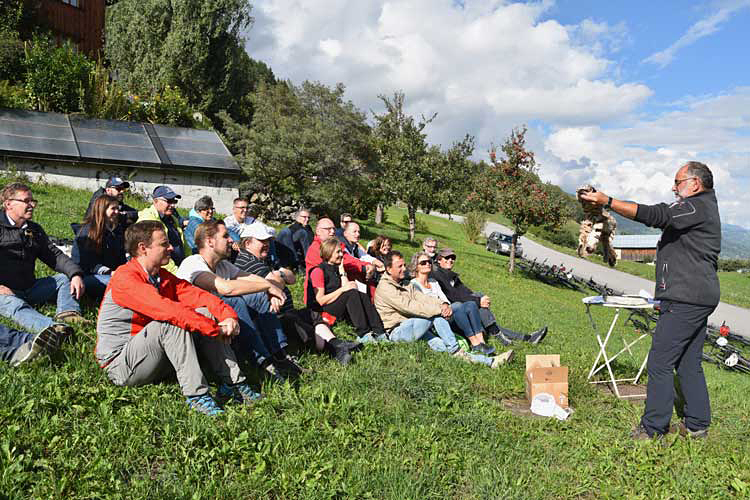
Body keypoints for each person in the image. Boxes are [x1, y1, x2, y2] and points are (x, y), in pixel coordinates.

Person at [580, 161, 721, 440]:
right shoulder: (701, 208)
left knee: (659, 361)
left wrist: (607, 201)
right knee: (688, 362)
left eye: (678, 182)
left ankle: (653, 428)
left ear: (694, 183)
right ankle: (697, 425)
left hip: (687, 298)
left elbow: (655, 214)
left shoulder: (695, 205)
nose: (673, 187)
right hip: (695, 296)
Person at [95, 220, 262, 416]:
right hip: (121, 365)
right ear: (143, 248)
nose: (171, 247)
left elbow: (199, 297)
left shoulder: (161, 276)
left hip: (152, 357)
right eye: (164, 244)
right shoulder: (126, 278)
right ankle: (197, 396)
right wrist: (215, 330)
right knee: (171, 322)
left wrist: (227, 317)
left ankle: (234, 384)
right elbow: (167, 311)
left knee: (205, 312)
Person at [176, 220, 303, 379]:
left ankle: (279, 356)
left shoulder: (223, 266)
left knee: (258, 297)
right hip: (194, 327)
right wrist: (268, 286)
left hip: (223, 320)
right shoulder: (193, 263)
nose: (231, 240)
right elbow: (226, 288)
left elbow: (251, 278)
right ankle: (263, 362)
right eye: (225, 236)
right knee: (234, 301)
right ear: (209, 241)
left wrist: (269, 289)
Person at [235, 223, 360, 365]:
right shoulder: (249, 262)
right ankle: (334, 348)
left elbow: (292, 278)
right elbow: (278, 283)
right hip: (276, 318)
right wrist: (278, 278)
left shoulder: (260, 260)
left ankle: (337, 344)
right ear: (247, 243)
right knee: (299, 324)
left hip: (285, 311)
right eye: (262, 241)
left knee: (312, 314)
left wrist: (279, 274)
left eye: (268, 240)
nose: (267, 244)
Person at [374, 251, 513, 368]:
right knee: (434, 315)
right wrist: (438, 310)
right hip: (398, 331)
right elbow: (410, 306)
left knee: (442, 347)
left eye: (404, 265)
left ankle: (491, 362)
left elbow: (422, 298)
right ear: (388, 268)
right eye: (399, 266)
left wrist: (443, 305)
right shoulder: (386, 287)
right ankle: (457, 350)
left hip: (416, 326)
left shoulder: (404, 283)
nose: (404, 268)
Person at [0, 182, 85, 336]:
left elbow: (54, 255)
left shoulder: (34, 229)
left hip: (31, 288)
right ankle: (52, 329)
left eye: (33, 201)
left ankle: (68, 313)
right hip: (6, 292)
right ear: (8, 204)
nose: (32, 205)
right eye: (26, 201)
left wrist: (75, 274)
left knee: (63, 279)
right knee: (15, 306)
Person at [430, 248, 548, 345]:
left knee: (481, 303)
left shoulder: (450, 275)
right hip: (452, 314)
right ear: (439, 260)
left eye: (453, 258)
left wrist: (480, 299)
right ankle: (505, 335)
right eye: (447, 258)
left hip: (463, 308)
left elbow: (465, 291)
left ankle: (526, 338)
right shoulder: (437, 275)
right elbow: (453, 296)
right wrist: (478, 301)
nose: (450, 260)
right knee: (479, 305)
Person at [409, 251, 495, 355]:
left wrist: (446, 306)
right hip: (435, 317)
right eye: (423, 263)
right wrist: (442, 308)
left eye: (429, 262)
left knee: (470, 304)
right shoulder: (414, 285)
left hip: (446, 311)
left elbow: (444, 298)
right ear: (416, 267)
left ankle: (481, 342)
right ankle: (475, 343)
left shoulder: (433, 282)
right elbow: (423, 305)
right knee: (458, 306)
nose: (427, 264)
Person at [309, 238, 387, 340]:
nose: (341, 255)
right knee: (352, 293)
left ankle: (379, 331)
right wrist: (343, 289)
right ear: (328, 253)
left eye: (341, 251)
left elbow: (346, 288)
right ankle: (363, 333)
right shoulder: (318, 271)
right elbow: (321, 300)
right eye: (338, 252)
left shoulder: (338, 268)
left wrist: (342, 271)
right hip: (325, 310)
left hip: (338, 304)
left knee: (361, 294)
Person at [303, 218, 373, 306]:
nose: (332, 232)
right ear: (318, 231)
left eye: (334, 229)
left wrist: (366, 265)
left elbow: (348, 258)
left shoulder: (335, 246)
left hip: (336, 286)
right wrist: (363, 267)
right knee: (355, 286)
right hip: (324, 296)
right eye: (328, 229)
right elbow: (344, 262)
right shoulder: (316, 249)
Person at [72, 194, 127, 298]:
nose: (117, 212)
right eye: (113, 209)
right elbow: (88, 264)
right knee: (120, 283)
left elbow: (121, 259)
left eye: (118, 208)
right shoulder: (87, 233)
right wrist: (110, 272)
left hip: (112, 274)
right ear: (102, 210)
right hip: (88, 276)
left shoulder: (116, 231)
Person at [137, 185, 191, 272]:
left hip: (180, 269)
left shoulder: (172, 219)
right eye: (169, 201)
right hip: (163, 272)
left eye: (174, 201)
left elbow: (184, 245)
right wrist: (177, 273)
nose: (172, 205)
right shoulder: (148, 220)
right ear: (155, 201)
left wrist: (189, 265)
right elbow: (156, 253)